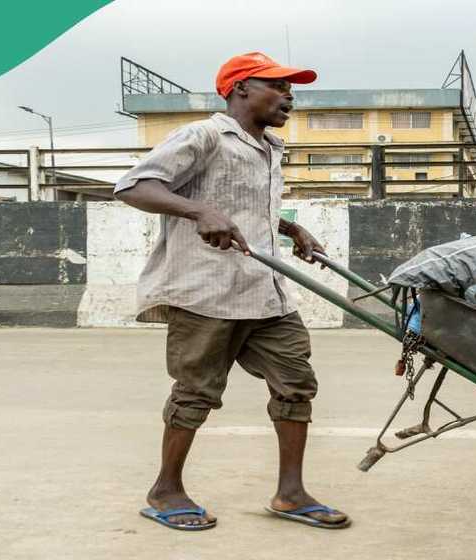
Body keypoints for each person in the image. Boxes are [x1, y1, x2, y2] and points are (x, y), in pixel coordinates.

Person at [114, 52, 350, 531]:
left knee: (295, 384)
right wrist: (198, 212)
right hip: (206, 292)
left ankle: (290, 493)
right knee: (197, 392)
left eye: (292, 89)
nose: (289, 97)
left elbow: (242, 204)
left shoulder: (269, 148)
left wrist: (289, 227)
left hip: (265, 293)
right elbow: (134, 187)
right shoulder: (203, 135)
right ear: (241, 88)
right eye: (278, 86)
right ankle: (165, 490)